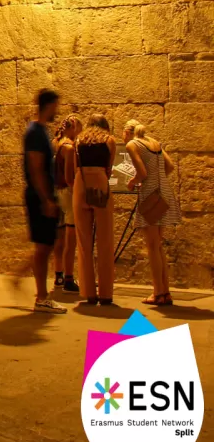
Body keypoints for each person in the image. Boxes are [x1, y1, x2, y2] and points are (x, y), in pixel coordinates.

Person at [11, 89, 66, 313]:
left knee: (47, 244)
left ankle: (19, 277)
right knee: (44, 246)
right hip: (39, 195)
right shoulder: (35, 132)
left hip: (44, 194)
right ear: (49, 105)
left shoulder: (41, 130)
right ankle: (41, 297)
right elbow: (35, 168)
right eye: (56, 106)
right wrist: (46, 199)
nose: (57, 111)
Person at [124, 120, 180, 307]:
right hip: (164, 194)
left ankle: (158, 293)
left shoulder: (132, 144)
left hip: (150, 196)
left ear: (127, 132)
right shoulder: (154, 142)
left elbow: (142, 172)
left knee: (151, 245)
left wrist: (132, 182)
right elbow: (170, 166)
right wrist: (158, 180)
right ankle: (165, 292)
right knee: (158, 245)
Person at [75, 113, 119, 306]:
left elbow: (76, 166)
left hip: (81, 184)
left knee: (83, 242)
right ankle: (106, 294)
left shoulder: (78, 141)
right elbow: (109, 168)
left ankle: (88, 292)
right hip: (100, 183)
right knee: (105, 240)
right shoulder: (109, 141)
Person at [52, 114, 82, 293]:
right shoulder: (69, 148)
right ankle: (69, 278)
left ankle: (59, 275)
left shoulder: (55, 143)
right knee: (71, 237)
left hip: (56, 193)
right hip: (67, 194)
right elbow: (70, 177)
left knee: (59, 237)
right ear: (73, 128)